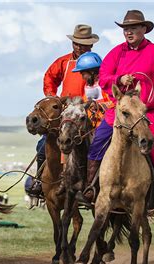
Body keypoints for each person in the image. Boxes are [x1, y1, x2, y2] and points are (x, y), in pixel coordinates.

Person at [98, 10, 154, 223]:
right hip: (121, 111)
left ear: (144, 29)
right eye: (125, 29)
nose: (128, 32)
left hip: (150, 111)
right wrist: (120, 78)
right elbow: (104, 78)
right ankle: (88, 187)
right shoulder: (116, 53)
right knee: (98, 137)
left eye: (133, 28)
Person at [34, 24, 100, 197]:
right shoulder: (63, 62)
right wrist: (52, 98)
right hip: (66, 111)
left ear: (90, 45)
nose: (79, 46)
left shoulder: (98, 63)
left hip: (88, 112)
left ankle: (91, 182)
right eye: (76, 43)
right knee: (43, 144)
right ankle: (39, 179)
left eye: (83, 43)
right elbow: (50, 77)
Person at [71, 51, 114, 206]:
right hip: (89, 126)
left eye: (83, 73)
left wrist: (100, 105)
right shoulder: (86, 86)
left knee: (96, 147)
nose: (82, 76)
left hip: (108, 125)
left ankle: (90, 187)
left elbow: (115, 102)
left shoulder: (106, 82)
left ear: (93, 71)